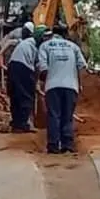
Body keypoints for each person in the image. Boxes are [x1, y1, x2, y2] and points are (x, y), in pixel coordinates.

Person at [37, 25, 87, 154]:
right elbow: (82, 66)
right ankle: (67, 145)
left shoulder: (45, 46)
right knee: (68, 116)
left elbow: (43, 69)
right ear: (66, 34)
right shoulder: (74, 47)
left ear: (53, 33)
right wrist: (80, 84)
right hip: (71, 86)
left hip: (53, 87)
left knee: (54, 115)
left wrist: (43, 84)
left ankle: (53, 146)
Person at [6, 24, 43, 132]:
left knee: (15, 95)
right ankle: (23, 124)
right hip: (24, 68)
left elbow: (9, 43)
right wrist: (36, 83)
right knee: (26, 96)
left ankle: (16, 123)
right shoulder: (37, 46)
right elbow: (38, 67)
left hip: (12, 66)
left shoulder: (26, 42)